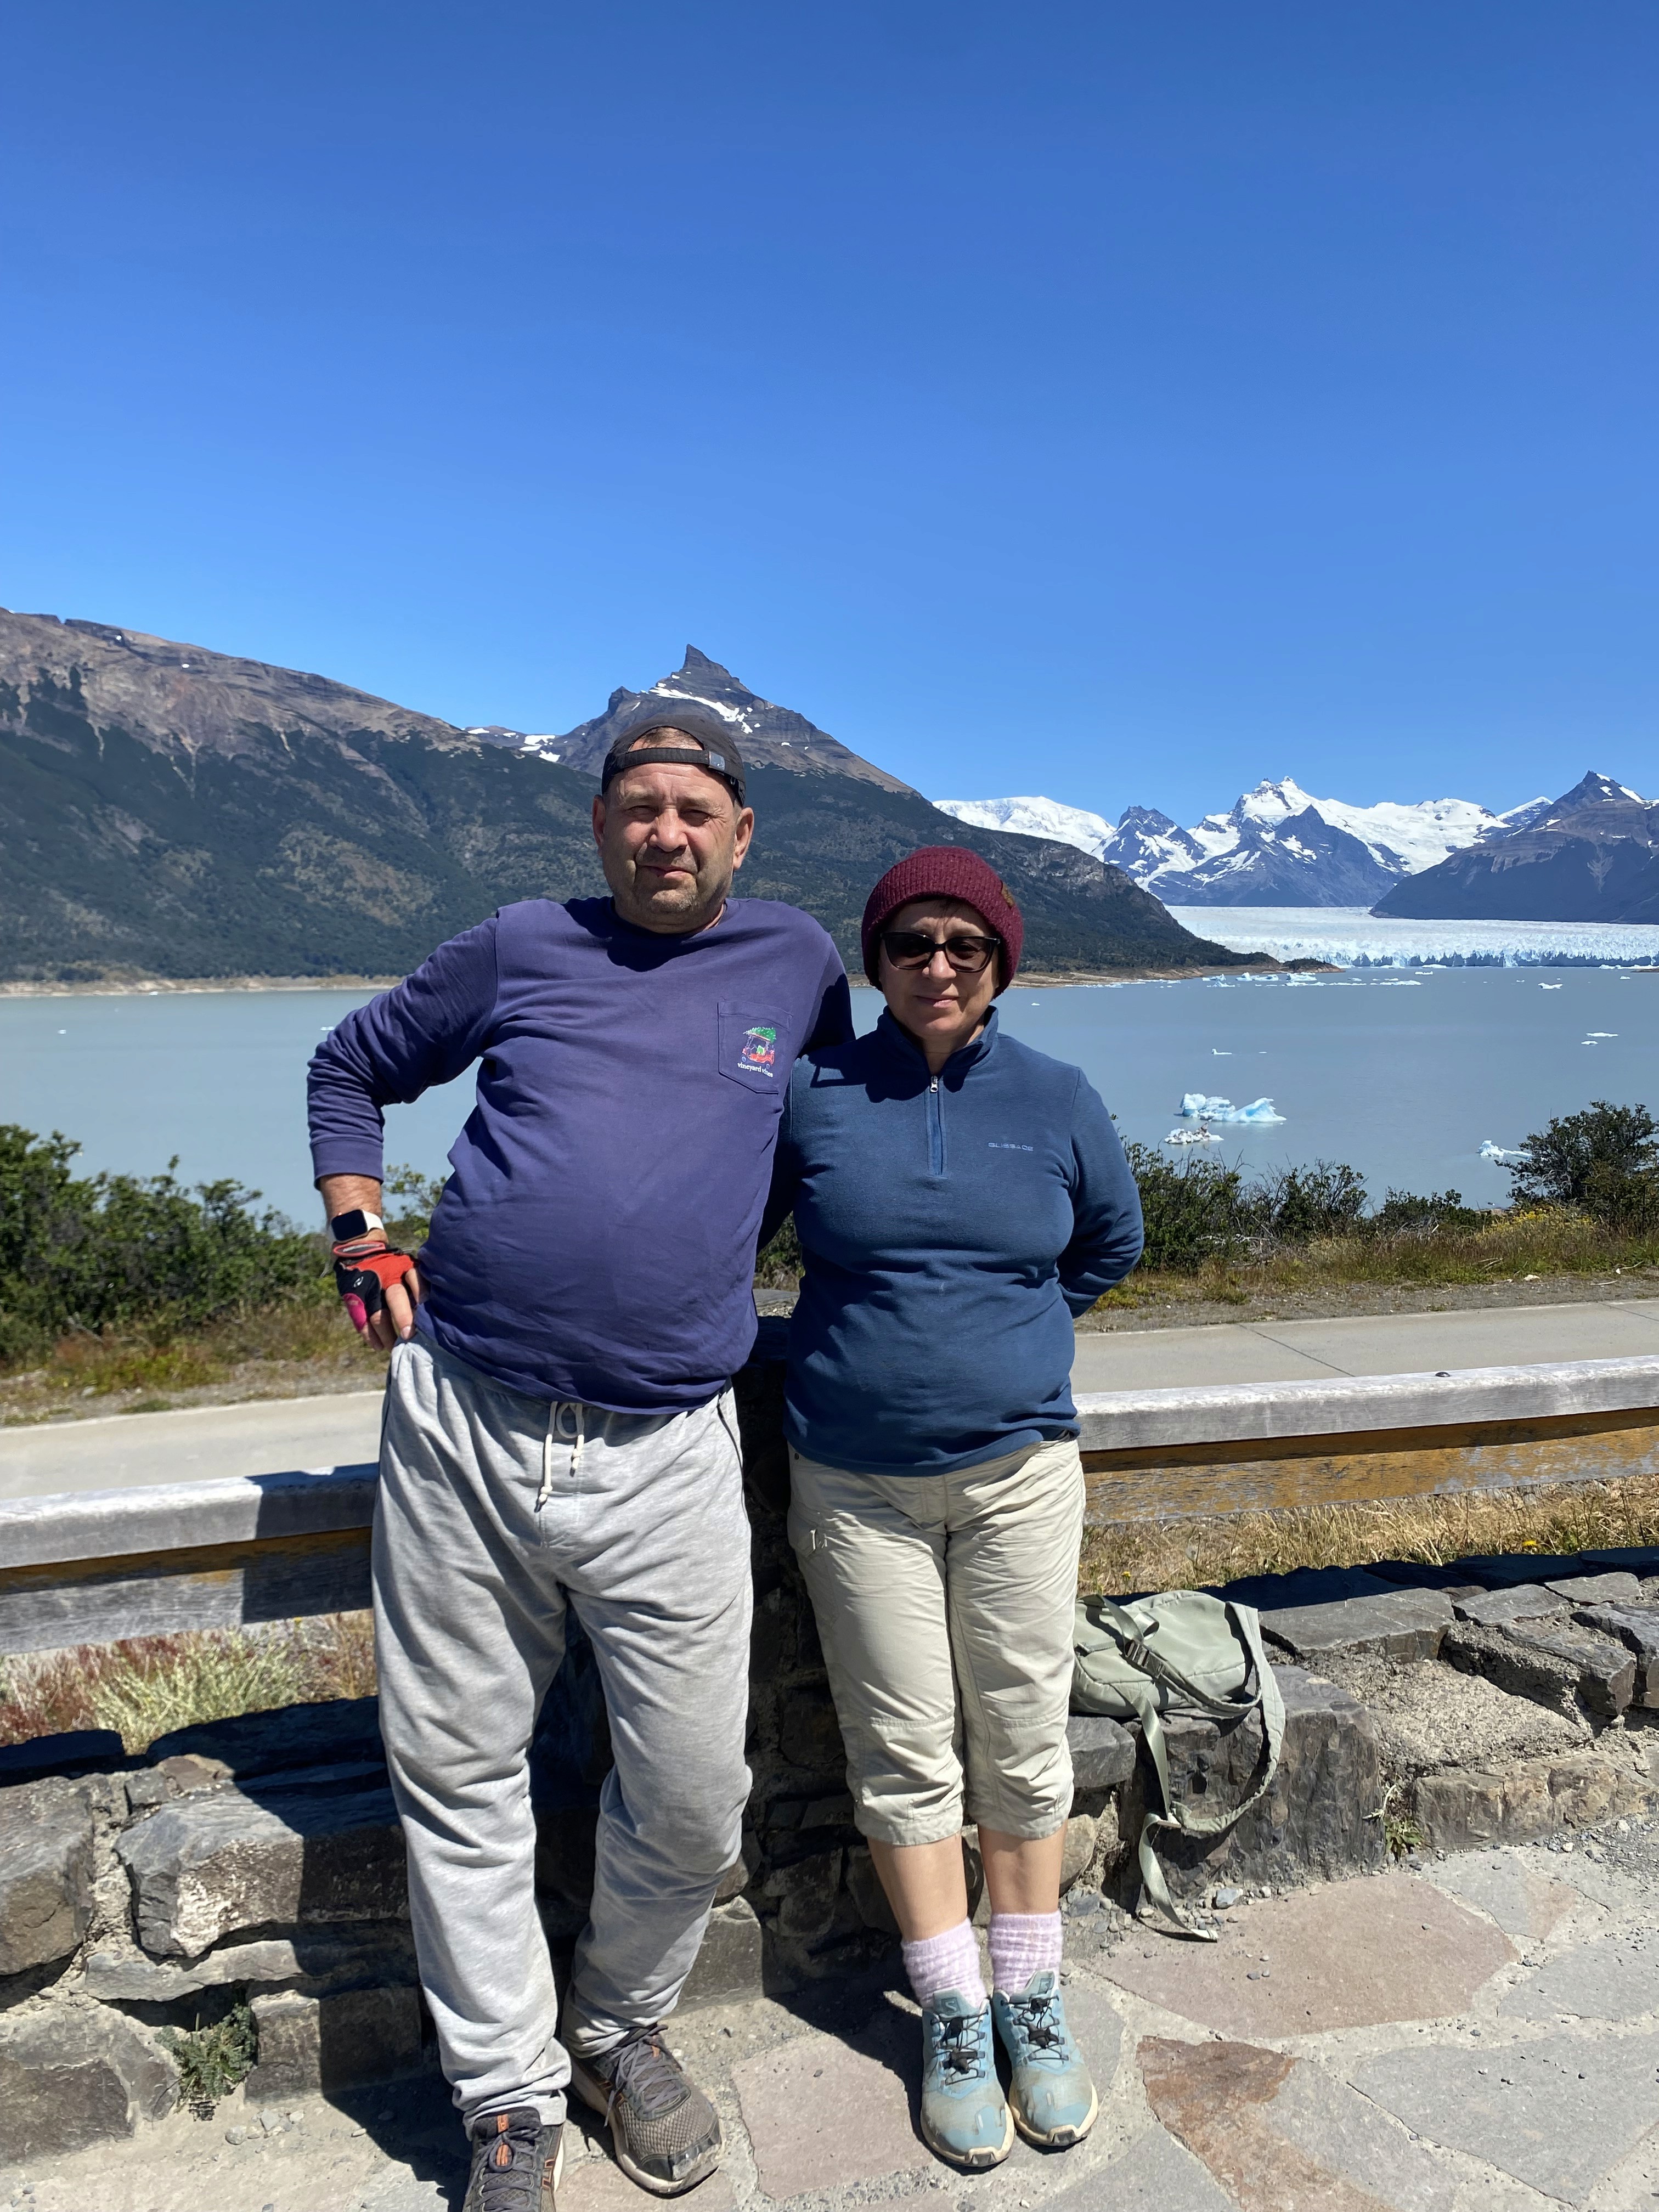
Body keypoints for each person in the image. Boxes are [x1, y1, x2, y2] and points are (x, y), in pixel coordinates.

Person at [307, 707, 851, 2211]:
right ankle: (506, 2096)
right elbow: (349, 1069)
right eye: (640, 808)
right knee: (459, 1772)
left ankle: (617, 2029)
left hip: (672, 1440)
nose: (666, 833)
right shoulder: (518, 945)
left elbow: (819, 1142)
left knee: (693, 1790)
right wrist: (362, 1235)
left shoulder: (800, 965)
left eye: (695, 811)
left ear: (741, 834)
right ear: (601, 825)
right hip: (466, 1419)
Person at [760, 845, 1143, 2172]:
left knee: (1025, 1736)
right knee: (903, 1749)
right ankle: (954, 2010)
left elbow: (1111, 1243)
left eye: (964, 946)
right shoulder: (814, 1094)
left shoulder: (1058, 1097)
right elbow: (736, 1232)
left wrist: (1011, 1336)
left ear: (1000, 965)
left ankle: (1031, 1992)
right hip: (853, 1481)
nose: (937, 965)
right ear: (875, 961)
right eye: (911, 943)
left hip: (1018, 1473)